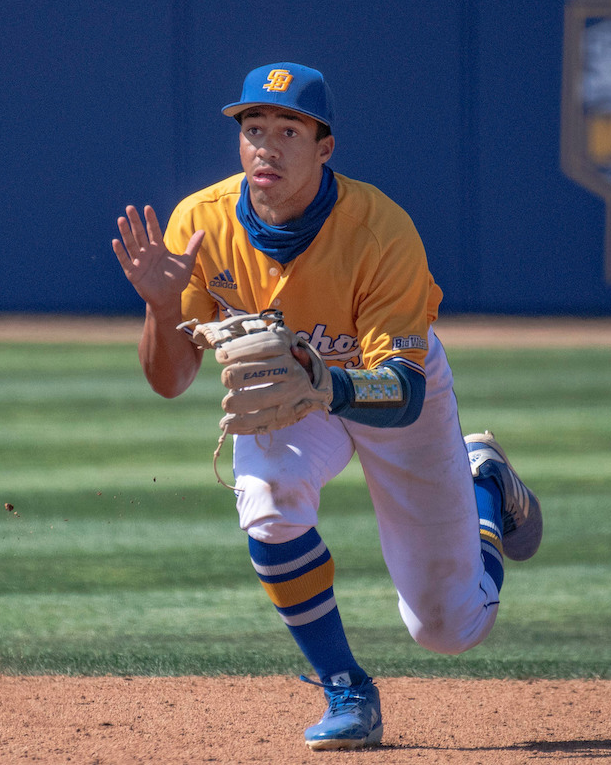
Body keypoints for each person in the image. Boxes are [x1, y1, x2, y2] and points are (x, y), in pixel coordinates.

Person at [112, 62, 543, 751]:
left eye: (289, 130)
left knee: (449, 628)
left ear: (325, 148)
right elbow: (169, 381)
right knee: (269, 503)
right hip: (293, 388)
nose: (267, 147)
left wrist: (329, 387)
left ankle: (484, 482)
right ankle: (346, 688)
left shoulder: (381, 232)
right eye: (253, 129)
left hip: (382, 387)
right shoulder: (201, 224)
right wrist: (163, 310)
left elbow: (404, 393)